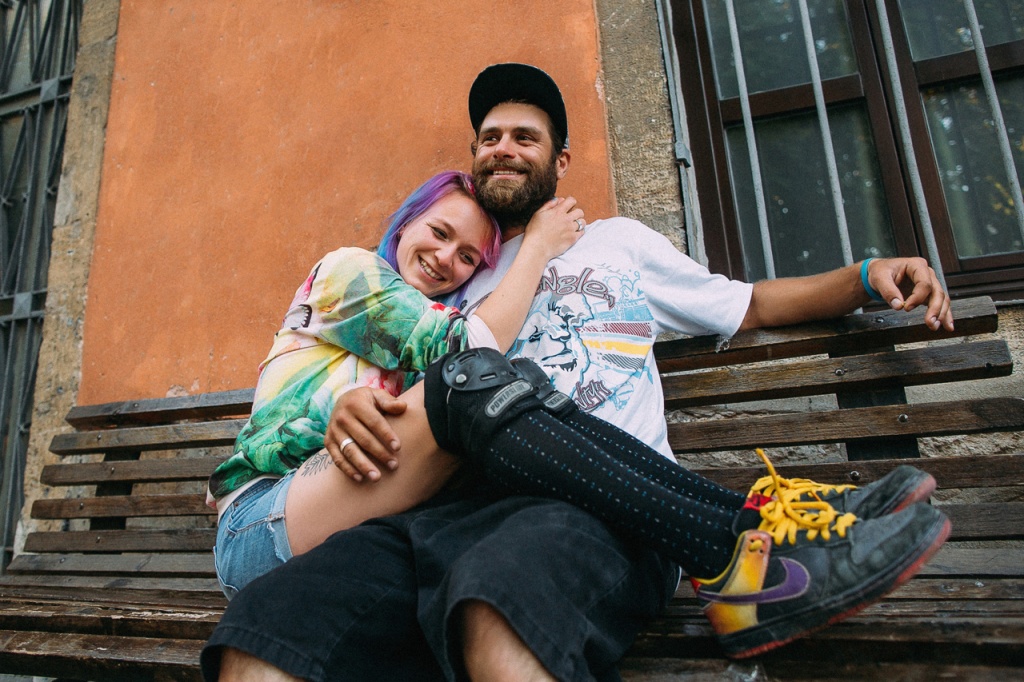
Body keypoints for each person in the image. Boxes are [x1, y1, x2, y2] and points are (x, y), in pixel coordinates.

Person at [202, 64, 955, 682]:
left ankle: (746, 547)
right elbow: (394, 379)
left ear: (560, 162)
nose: (503, 149)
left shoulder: (618, 243)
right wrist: (343, 414)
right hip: (446, 513)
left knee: (500, 611)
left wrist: (864, 275)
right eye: (490, 137)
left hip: (611, 514)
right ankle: (748, 539)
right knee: (262, 632)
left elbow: (750, 303)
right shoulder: (450, 280)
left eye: (524, 137)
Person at [209, 169, 585, 597]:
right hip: (259, 520)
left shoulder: (420, 336)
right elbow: (469, 348)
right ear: (406, 222)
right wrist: (537, 246)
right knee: (476, 384)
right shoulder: (351, 270)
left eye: (467, 257)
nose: (445, 258)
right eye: (439, 233)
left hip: (354, 528)